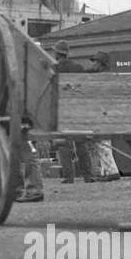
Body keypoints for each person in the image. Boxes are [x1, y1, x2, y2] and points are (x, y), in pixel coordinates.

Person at [52, 41, 93, 183]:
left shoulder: (54, 68)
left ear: (57, 53)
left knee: (64, 144)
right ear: (67, 53)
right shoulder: (78, 67)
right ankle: (88, 176)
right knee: (81, 143)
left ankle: (69, 177)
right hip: (77, 108)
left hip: (61, 109)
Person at [83, 50, 121, 182]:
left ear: (100, 63)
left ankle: (111, 171)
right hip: (106, 112)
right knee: (101, 143)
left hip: (103, 112)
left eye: (95, 61)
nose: (92, 64)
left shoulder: (102, 77)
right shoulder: (104, 75)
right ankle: (106, 171)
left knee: (102, 142)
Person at [15, 115, 44, 203]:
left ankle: (33, 191)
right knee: (21, 156)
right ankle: (21, 190)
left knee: (30, 156)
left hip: (26, 122)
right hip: (25, 121)